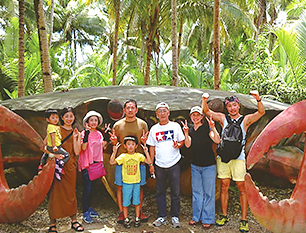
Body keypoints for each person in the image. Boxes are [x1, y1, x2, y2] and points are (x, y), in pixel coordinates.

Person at [202, 92, 265, 232]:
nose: (232, 108)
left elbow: (261, 112)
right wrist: (204, 100)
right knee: (224, 186)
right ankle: (224, 215)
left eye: (234, 105)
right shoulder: (223, 118)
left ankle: (244, 219)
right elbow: (206, 111)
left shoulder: (245, 120)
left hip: (238, 158)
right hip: (223, 157)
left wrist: (258, 99)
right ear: (226, 107)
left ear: (239, 106)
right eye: (229, 106)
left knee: (241, 188)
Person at [109, 99, 153, 223]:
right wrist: (113, 142)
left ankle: (139, 212)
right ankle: (122, 212)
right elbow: (115, 142)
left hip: (139, 161)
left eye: (132, 108)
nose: (130, 110)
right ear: (124, 110)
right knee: (120, 186)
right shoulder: (117, 125)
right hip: (122, 161)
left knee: (138, 186)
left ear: (136, 110)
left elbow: (147, 142)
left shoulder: (142, 124)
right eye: (127, 108)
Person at [147, 102, 185, 228]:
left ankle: (175, 216)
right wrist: (151, 164)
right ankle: (162, 216)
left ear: (168, 112)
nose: (162, 113)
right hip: (159, 164)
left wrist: (178, 145)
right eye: (160, 111)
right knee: (160, 191)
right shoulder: (154, 129)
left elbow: (182, 140)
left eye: (164, 111)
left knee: (175, 191)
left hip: (174, 162)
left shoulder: (175, 126)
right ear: (156, 114)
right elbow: (151, 147)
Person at [182, 106, 220, 229]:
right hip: (195, 165)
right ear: (191, 117)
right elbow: (187, 145)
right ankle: (196, 217)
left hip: (209, 165)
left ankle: (207, 218)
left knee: (209, 193)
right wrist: (186, 132)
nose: (196, 117)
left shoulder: (207, 128)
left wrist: (213, 128)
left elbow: (217, 140)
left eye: (198, 115)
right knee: (197, 192)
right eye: (193, 115)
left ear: (202, 117)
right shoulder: (191, 130)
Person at [47, 107, 84, 233]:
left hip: (70, 166)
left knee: (70, 193)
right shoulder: (55, 129)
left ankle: (73, 220)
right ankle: (53, 223)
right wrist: (55, 155)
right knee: (55, 193)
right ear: (61, 117)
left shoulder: (76, 132)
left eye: (71, 116)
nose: (69, 119)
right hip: (57, 165)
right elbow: (45, 147)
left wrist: (75, 138)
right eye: (66, 116)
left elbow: (77, 151)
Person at [110, 135, 153, 229]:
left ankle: (137, 218)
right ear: (125, 146)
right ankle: (126, 218)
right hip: (126, 183)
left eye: (132, 144)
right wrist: (114, 152)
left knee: (137, 201)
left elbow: (149, 161)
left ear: (136, 146)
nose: (130, 146)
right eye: (128, 144)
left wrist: (146, 152)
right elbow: (112, 162)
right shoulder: (123, 156)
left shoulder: (139, 156)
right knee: (125, 202)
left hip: (136, 182)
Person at [78, 110, 107, 224]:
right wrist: (85, 134)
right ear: (87, 122)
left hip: (97, 164)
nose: (94, 122)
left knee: (93, 189)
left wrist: (108, 138)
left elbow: (101, 146)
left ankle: (89, 208)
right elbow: (83, 148)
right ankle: (85, 211)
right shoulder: (84, 133)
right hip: (87, 164)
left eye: (96, 120)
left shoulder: (99, 134)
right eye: (91, 120)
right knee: (87, 189)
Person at [40, 109, 70, 181]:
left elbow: (46, 140)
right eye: (53, 118)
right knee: (67, 155)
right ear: (48, 119)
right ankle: (59, 165)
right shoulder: (51, 127)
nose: (55, 119)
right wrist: (54, 146)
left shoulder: (55, 127)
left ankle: (41, 164)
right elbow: (52, 137)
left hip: (52, 147)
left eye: (56, 117)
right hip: (55, 147)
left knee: (46, 153)